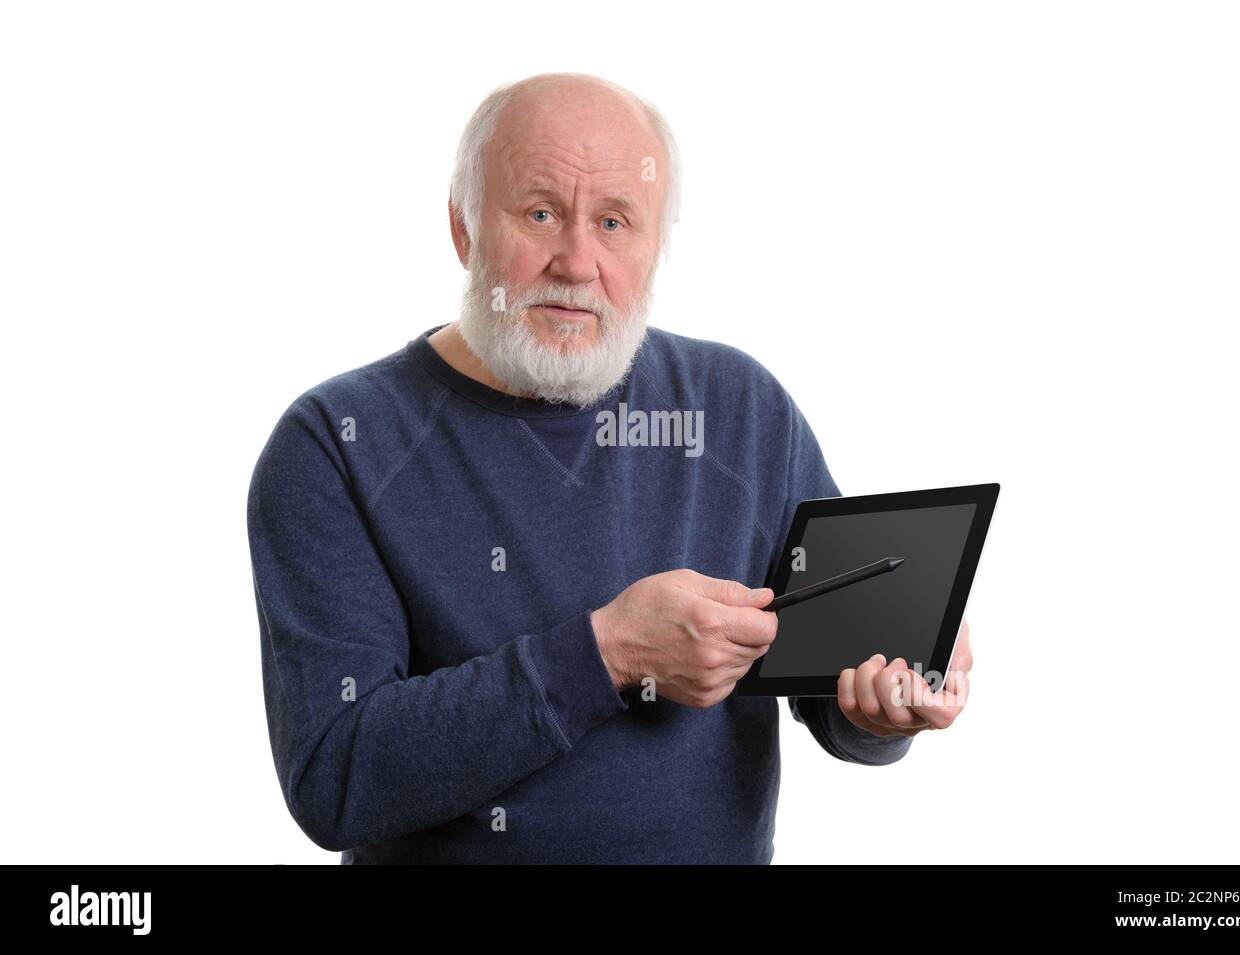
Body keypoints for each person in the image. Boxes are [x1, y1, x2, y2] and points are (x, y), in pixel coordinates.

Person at [246, 72, 972, 864]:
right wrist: (606, 654)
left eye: (615, 221)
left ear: (654, 245)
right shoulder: (334, 444)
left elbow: (831, 691)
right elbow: (335, 777)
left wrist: (882, 705)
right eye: (541, 212)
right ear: (462, 228)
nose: (577, 261)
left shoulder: (739, 408)